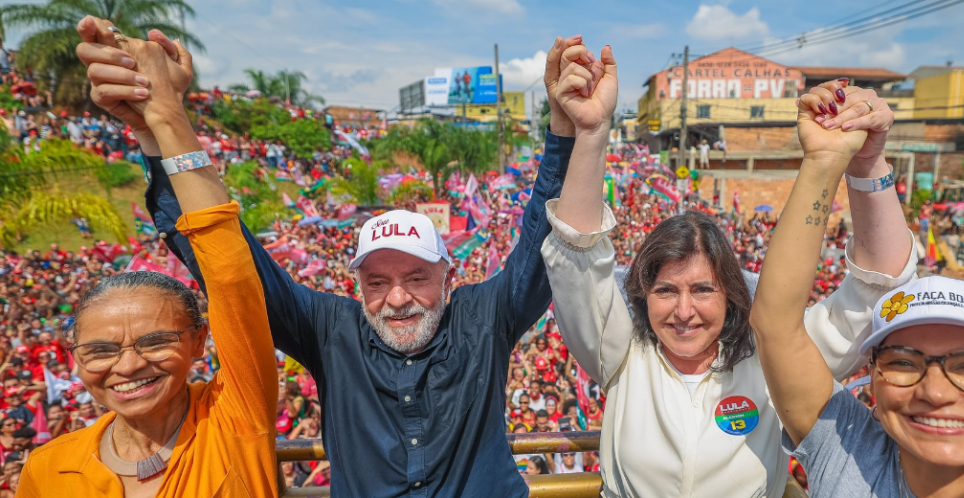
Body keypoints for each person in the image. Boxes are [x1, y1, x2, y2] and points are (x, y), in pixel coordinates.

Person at [78, 26, 586, 497]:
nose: (398, 297)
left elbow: (546, 239)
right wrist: (158, 134)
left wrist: (563, 128)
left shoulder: (484, 316)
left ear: (449, 277)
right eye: (378, 281)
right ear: (357, 283)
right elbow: (232, 263)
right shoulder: (330, 330)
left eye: (416, 277)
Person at [545, 45, 917, 497]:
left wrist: (867, 161)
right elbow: (579, 256)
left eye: (703, 289)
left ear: (732, 295)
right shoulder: (622, 354)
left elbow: (877, 294)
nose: (684, 311)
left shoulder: (773, 363)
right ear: (642, 295)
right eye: (665, 291)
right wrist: (592, 131)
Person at [16, 17, 279, 497]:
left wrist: (164, 116)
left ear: (201, 341)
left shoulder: (236, 417)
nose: (130, 365)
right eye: (100, 350)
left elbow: (230, 275)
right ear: (71, 356)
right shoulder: (47, 469)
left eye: (157, 341)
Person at [750, 86, 964, 497]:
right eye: (903, 363)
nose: (935, 391)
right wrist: (836, 160)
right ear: (872, 383)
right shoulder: (844, 450)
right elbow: (776, 325)